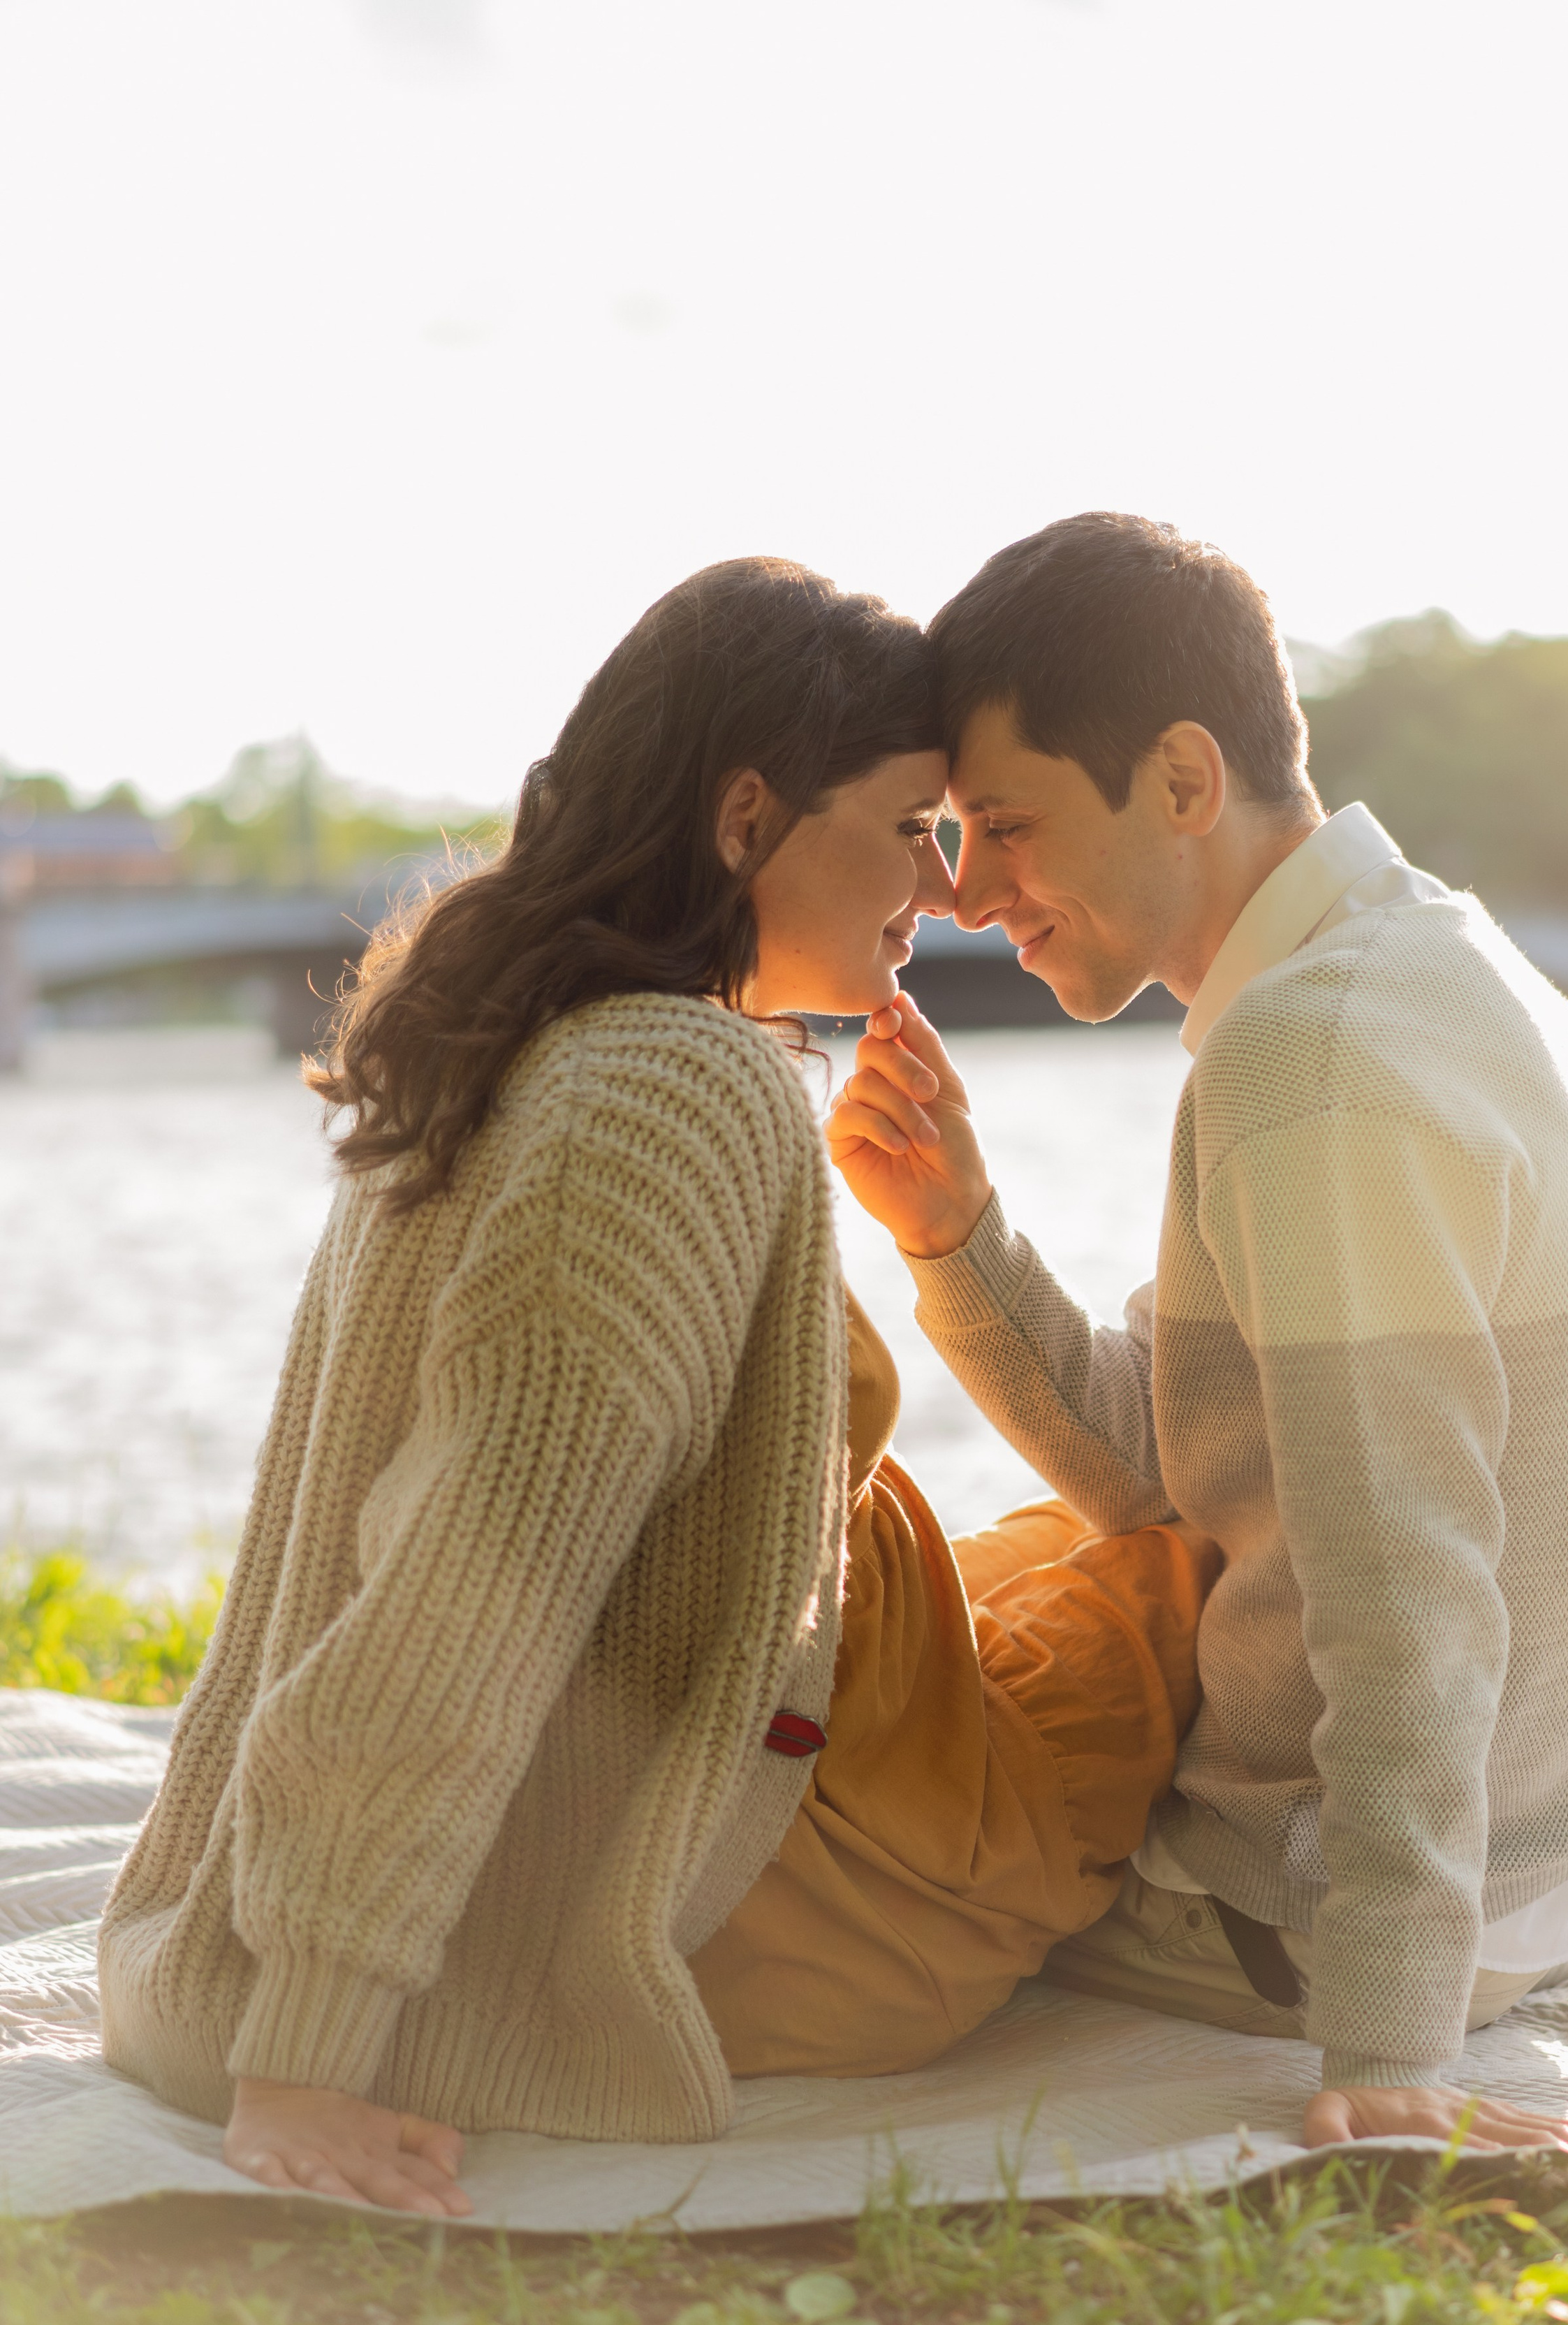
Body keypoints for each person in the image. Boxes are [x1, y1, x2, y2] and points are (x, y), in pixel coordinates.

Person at [97, 557, 1208, 2217]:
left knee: (1065, 1559)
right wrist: (310, 2042)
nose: (947, 887)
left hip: (759, 1723)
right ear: (747, 815)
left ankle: (1552, 1844)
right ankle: (1531, 1864)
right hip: (784, 1859)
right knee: (1199, 1570)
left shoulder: (517, 1036)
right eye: (910, 828)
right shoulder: (673, 1089)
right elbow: (471, 1570)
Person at [826, 512, 1568, 2161]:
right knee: (1010, 1583)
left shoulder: (1307, 1066)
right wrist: (953, 1233)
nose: (968, 896)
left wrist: (1382, 2046)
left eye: (1002, 828)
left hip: (1361, 1912)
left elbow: (1405, 1598)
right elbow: (1173, 1470)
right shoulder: (1426, 950)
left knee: (834, 1814)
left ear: (1176, 778)